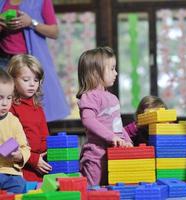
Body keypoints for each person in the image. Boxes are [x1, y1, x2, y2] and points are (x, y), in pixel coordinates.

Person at [0, 0, 69, 121]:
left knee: (31, 105)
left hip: (28, 62)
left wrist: (31, 22)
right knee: (5, 106)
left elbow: (54, 32)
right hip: (4, 60)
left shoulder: (41, 1)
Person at [76, 47, 133, 186]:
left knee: (114, 189)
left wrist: (128, 140)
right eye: (112, 69)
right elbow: (88, 120)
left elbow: (117, 125)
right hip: (97, 156)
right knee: (92, 190)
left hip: (115, 155)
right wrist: (111, 137)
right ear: (95, 72)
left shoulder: (112, 98)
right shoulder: (89, 96)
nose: (116, 73)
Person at [7, 54, 52, 181]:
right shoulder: (10, 108)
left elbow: (45, 138)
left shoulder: (38, 108)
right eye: (26, 80)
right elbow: (7, 145)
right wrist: (33, 159)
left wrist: (46, 156)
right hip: (18, 169)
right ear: (13, 80)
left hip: (41, 167)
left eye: (36, 80)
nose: (32, 84)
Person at [0, 68, 30, 193]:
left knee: (20, 186)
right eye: (0, 98)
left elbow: (25, 147)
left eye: (9, 98)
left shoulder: (14, 122)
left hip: (12, 173)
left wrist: (20, 156)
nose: (5, 103)